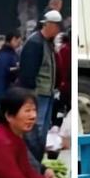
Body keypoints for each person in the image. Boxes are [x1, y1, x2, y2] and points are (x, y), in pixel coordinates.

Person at [18, 10, 61, 162]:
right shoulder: (35, 43)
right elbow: (28, 73)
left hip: (47, 93)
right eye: (56, 27)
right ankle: (32, 160)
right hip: (37, 94)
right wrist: (30, 96)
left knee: (42, 130)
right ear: (48, 25)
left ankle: (37, 160)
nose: (58, 31)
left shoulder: (47, 43)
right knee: (34, 128)